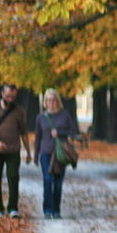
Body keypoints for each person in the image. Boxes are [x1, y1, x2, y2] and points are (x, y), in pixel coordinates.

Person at [0, 83, 31, 217]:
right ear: (2, 94)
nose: (10, 99)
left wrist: (28, 152)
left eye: (13, 97)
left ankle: (12, 208)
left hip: (13, 150)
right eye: (8, 96)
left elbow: (23, 132)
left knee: (13, 178)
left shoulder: (19, 111)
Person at [33, 88, 78, 219]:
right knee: (47, 180)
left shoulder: (64, 115)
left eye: (53, 100)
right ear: (45, 102)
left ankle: (56, 210)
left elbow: (73, 131)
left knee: (58, 183)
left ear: (58, 101)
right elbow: (38, 137)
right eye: (48, 100)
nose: (51, 102)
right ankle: (47, 209)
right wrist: (36, 156)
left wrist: (60, 133)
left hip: (60, 154)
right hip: (45, 153)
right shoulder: (41, 117)